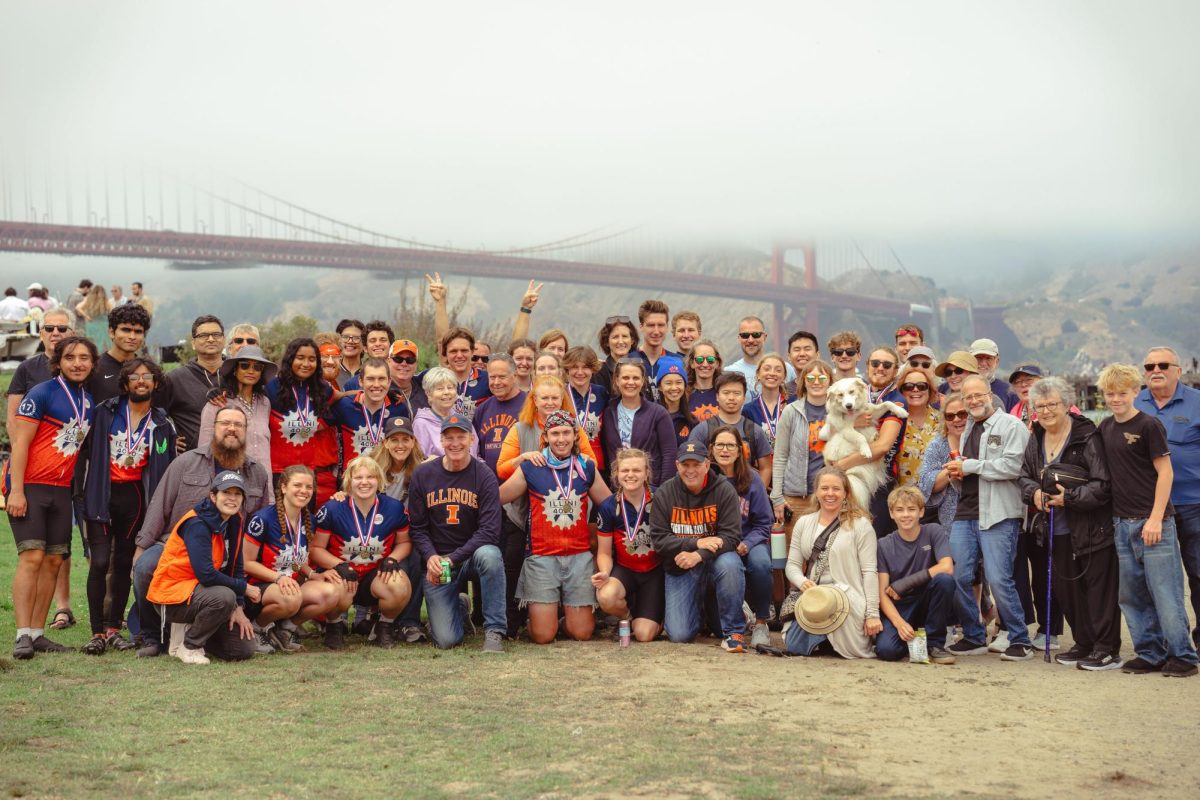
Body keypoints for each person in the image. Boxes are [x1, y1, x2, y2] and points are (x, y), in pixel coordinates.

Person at [132, 405, 273, 658]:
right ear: (213, 428)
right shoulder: (185, 462)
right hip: (175, 546)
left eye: (238, 425)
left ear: (246, 431)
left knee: (240, 649)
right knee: (144, 568)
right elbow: (159, 506)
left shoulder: (257, 473)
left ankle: (205, 634)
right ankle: (151, 636)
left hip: (228, 552)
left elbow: (262, 519)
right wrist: (142, 548)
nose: (231, 429)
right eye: (225, 423)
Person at [1097, 363, 1198, 677]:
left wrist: (1155, 519)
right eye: (1110, 394)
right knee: (1132, 595)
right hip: (1120, 522)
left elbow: (1165, 472)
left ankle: (1182, 655)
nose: (1116, 399)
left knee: (1165, 591)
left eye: (1122, 393)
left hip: (1154, 522)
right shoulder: (1105, 428)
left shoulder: (1149, 425)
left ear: (1135, 392)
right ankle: (1150, 652)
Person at [1018, 377, 1122, 671]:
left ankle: (1106, 649)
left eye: (1053, 404)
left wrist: (1070, 499)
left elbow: (1103, 484)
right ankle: (1084, 642)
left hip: (1090, 526)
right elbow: (1023, 476)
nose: (1047, 411)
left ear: (1067, 405)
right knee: (1067, 589)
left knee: (1098, 588)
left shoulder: (1086, 436)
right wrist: (1034, 493)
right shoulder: (1035, 436)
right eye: (1040, 406)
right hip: (1055, 527)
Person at [75, 358, 176, 655]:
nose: (141, 381)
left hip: (135, 497)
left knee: (123, 563)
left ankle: (113, 628)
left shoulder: (161, 422)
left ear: (155, 383)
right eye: (135, 376)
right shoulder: (104, 412)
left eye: (147, 376)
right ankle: (95, 631)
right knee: (100, 561)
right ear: (125, 383)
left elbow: (167, 465)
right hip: (101, 493)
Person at [5, 335, 97, 659]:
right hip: (29, 485)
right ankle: (21, 636)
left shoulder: (87, 400)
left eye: (84, 358)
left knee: (54, 561)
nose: (78, 363)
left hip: (61, 491)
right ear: (59, 361)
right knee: (31, 557)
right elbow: (20, 444)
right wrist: (16, 490)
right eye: (71, 357)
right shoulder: (41, 393)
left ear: (92, 363)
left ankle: (38, 632)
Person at [499, 411, 611, 643]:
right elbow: (498, 497)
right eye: (555, 433)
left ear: (575, 436)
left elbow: (609, 504)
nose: (561, 439)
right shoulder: (532, 466)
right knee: (543, 636)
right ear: (546, 437)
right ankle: (542, 620)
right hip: (542, 557)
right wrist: (516, 461)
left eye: (567, 433)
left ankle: (566, 620)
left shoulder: (586, 467)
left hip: (579, 557)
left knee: (582, 633)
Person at [944, 375, 1033, 661]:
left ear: (990, 395)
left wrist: (970, 466)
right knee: (959, 576)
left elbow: (1014, 466)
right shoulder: (969, 425)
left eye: (978, 395)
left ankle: (1019, 639)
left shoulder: (1011, 426)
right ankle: (973, 635)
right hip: (966, 512)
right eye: (967, 397)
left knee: (998, 578)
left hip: (998, 514)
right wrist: (960, 472)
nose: (973, 401)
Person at [408, 415, 507, 652]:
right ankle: (459, 607)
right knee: (446, 641)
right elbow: (418, 528)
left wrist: (454, 557)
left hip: (470, 558)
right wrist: (431, 556)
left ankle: (494, 631)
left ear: (471, 439)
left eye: (461, 437)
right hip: (439, 563)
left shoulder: (483, 475)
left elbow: (490, 531)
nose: (455, 443)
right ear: (441, 440)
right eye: (449, 437)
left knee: (491, 555)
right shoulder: (423, 474)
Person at [146, 472, 260, 664]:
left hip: (202, 594)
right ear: (213, 496)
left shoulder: (234, 520)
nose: (232, 499)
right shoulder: (197, 523)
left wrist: (238, 607)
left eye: (237, 494)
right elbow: (206, 574)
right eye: (227, 493)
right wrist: (244, 589)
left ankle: (194, 635)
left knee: (243, 649)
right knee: (224, 597)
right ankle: (189, 646)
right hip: (173, 597)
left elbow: (236, 567)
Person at [649, 442, 747, 652]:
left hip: (714, 563)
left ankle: (734, 631)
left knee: (730, 563)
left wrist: (699, 555)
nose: (691, 470)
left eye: (696, 464)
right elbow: (658, 540)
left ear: (707, 464)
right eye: (685, 464)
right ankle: (704, 612)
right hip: (680, 567)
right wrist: (696, 542)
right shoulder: (666, 492)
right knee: (679, 635)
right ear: (677, 465)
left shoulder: (723, 489)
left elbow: (731, 537)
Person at [1134, 346, 1200, 650]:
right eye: (1149, 366)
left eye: (1163, 365)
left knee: (1198, 572)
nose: (1155, 370)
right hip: (1149, 509)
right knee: (1157, 580)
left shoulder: (1197, 403)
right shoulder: (1135, 404)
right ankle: (1165, 641)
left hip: (1192, 503)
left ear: (1179, 369)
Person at [243, 466, 348, 653]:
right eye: (297, 485)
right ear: (283, 487)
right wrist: (277, 578)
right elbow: (246, 562)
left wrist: (311, 573)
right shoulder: (263, 519)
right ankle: (257, 628)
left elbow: (296, 558)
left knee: (331, 592)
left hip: (289, 587)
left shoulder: (309, 520)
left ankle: (284, 630)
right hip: (258, 588)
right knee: (291, 597)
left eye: (308, 487)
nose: (304, 491)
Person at [311, 456, 413, 649]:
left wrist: (393, 558)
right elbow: (316, 549)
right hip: (343, 576)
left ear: (379, 480)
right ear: (349, 481)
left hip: (373, 577)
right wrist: (337, 564)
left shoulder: (394, 508)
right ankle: (334, 626)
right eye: (358, 477)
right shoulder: (332, 508)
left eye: (371, 477)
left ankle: (384, 626)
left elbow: (405, 542)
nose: (364, 482)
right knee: (333, 587)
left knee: (399, 584)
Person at [784, 467, 881, 658]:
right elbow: (792, 565)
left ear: (846, 493)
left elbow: (870, 572)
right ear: (817, 492)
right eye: (825, 488)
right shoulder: (804, 522)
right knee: (794, 646)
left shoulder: (861, 525)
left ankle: (831, 639)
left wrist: (872, 614)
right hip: (814, 597)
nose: (830, 493)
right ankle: (826, 639)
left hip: (848, 597)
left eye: (836, 489)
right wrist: (802, 582)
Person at [708, 425, 774, 649]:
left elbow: (764, 523)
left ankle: (762, 622)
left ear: (740, 450)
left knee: (761, 562)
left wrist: (747, 543)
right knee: (729, 565)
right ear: (711, 449)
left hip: (750, 539)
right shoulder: (705, 479)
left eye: (730, 445)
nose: (725, 450)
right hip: (721, 544)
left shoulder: (752, 479)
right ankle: (736, 626)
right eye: (720, 445)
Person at [874, 485, 956, 664]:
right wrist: (899, 623)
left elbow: (947, 567)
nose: (906, 515)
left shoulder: (933, 531)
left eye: (911, 509)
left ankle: (935, 644)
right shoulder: (883, 544)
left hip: (927, 601)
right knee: (887, 651)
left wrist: (905, 583)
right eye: (900, 510)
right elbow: (882, 592)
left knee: (945, 581)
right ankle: (913, 638)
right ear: (891, 514)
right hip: (901, 606)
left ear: (921, 512)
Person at [592, 448, 664, 643]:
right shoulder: (608, 507)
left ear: (647, 473)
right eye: (625, 471)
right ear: (616, 474)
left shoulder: (662, 498)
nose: (630, 475)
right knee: (606, 596)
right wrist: (606, 572)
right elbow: (604, 552)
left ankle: (659, 616)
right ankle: (627, 618)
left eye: (636, 470)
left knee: (644, 635)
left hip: (654, 571)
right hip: (626, 570)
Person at [601, 359, 679, 488]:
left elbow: (669, 453)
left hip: (651, 488)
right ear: (616, 380)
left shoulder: (658, 413)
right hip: (619, 488)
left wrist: (663, 490)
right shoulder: (608, 412)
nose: (631, 382)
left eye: (636, 378)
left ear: (643, 381)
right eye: (625, 377)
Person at [771, 359, 833, 523]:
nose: (816, 382)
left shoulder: (840, 411)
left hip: (830, 496)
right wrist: (777, 496)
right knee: (793, 548)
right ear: (803, 382)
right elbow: (780, 456)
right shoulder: (791, 411)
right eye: (811, 378)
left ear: (831, 382)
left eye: (822, 378)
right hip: (796, 497)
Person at [687, 371, 772, 488]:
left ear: (743, 397)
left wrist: (755, 494)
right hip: (711, 495)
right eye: (726, 393)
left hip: (744, 495)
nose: (731, 398)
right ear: (717, 396)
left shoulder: (754, 430)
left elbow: (766, 467)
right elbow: (691, 465)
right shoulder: (702, 430)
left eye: (737, 393)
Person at [265, 338, 331, 483]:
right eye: (300, 358)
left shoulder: (323, 389)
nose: (306, 364)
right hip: (277, 471)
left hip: (308, 471)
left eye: (312, 359)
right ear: (290, 359)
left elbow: (340, 401)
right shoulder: (271, 386)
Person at [198, 345, 275, 468]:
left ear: (262, 372)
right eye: (245, 365)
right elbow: (204, 449)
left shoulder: (264, 403)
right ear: (235, 369)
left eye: (257, 367)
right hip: (230, 480)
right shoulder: (218, 403)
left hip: (264, 479)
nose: (251, 371)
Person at [163, 315, 225, 453]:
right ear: (193, 343)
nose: (211, 339)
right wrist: (169, 437)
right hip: (194, 461)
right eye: (203, 335)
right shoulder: (175, 379)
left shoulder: (237, 374)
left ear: (224, 339)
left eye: (216, 334)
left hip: (236, 458)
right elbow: (155, 413)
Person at [329, 357, 409, 463]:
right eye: (370, 379)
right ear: (361, 382)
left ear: (389, 382)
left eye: (381, 379)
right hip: (352, 477)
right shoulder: (343, 405)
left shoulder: (399, 409)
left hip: (386, 477)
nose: (376, 385)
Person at [918, 393, 968, 528]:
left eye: (962, 414)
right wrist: (950, 471)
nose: (956, 420)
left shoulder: (982, 438)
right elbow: (925, 483)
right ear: (944, 420)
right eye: (950, 416)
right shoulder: (938, 445)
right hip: (951, 519)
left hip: (983, 514)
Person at [473, 353, 527, 475]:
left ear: (514, 376)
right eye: (492, 377)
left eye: (502, 377)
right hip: (489, 484)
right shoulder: (482, 409)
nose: (496, 382)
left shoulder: (529, 405)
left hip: (521, 483)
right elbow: (475, 450)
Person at [87, 302, 152, 403]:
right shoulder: (93, 368)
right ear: (112, 332)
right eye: (126, 330)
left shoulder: (149, 370)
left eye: (138, 332)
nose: (132, 337)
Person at [414, 366, 481, 459]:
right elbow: (419, 461)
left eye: (450, 387)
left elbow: (476, 455)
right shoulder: (421, 423)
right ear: (428, 394)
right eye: (440, 389)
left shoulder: (463, 420)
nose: (446, 392)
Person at [894, 364, 941, 489]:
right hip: (903, 501)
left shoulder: (944, 420)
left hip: (938, 499)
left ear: (929, 390)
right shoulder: (893, 421)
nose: (915, 390)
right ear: (901, 391)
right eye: (909, 387)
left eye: (921, 386)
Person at [726, 316, 795, 399]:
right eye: (745, 335)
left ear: (764, 337)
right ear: (739, 338)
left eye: (756, 335)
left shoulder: (786, 369)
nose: (750, 340)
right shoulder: (729, 372)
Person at [562, 345, 607, 467]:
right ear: (567, 369)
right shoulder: (560, 394)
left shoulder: (602, 393)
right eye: (575, 367)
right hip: (567, 460)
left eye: (586, 367)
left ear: (593, 369)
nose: (580, 372)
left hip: (597, 461)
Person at [433, 326, 490, 419]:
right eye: (453, 351)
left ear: (472, 352)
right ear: (445, 354)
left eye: (464, 350)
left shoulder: (488, 379)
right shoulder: (433, 379)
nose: (459, 355)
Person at [741, 353, 791, 449]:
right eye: (767, 369)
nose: (772, 373)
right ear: (758, 374)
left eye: (778, 370)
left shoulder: (792, 406)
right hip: (761, 463)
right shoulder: (748, 410)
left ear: (784, 377)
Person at [968, 338, 1019, 411]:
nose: (983, 363)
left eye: (988, 358)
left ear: (997, 361)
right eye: (978, 358)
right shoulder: (955, 387)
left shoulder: (1009, 392)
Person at [594, 315, 640, 395]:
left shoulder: (641, 368)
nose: (621, 341)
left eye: (625, 336)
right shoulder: (598, 373)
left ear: (632, 340)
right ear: (607, 342)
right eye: (615, 337)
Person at [655, 356, 694, 445]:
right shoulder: (650, 416)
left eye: (679, 382)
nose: (674, 388)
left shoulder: (691, 421)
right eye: (668, 383)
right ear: (660, 387)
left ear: (685, 386)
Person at [636, 299, 677, 379]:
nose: (656, 331)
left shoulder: (677, 362)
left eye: (661, 325)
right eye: (651, 325)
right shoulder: (628, 361)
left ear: (667, 327)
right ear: (641, 327)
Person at [685, 340, 722, 421]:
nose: (705, 364)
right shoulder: (683, 395)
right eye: (699, 359)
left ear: (717, 363)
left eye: (710, 359)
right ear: (692, 363)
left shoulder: (724, 393)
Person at [75, 285, 112, 351]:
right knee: (105, 345)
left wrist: (86, 316)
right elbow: (112, 312)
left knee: (92, 344)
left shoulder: (89, 301)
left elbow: (78, 307)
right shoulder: (106, 302)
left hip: (91, 325)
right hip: (104, 326)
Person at [1007, 364, 1045, 430]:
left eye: (1029, 379)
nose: (1023, 384)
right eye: (1018, 382)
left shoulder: (1053, 407)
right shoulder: (1013, 413)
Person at [784, 330, 819, 395]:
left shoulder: (829, 388)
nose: (802, 354)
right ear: (789, 356)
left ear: (817, 354)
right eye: (797, 350)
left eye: (807, 349)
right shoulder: (784, 391)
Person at [334, 318, 366, 388]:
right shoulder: (332, 371)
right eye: (345, 337)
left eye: (356, 338)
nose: (350, 341)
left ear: (364, 344)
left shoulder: (369, 371)